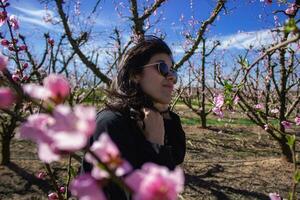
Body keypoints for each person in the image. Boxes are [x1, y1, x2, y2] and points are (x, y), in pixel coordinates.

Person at [82, 35, 186, 199]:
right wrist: (155, 145)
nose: (172, 77)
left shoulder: (153, 117)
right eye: (163, 68)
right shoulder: (111, 123)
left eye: (173, 71)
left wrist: (165, 115)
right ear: (135, 74)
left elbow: (177, 157)